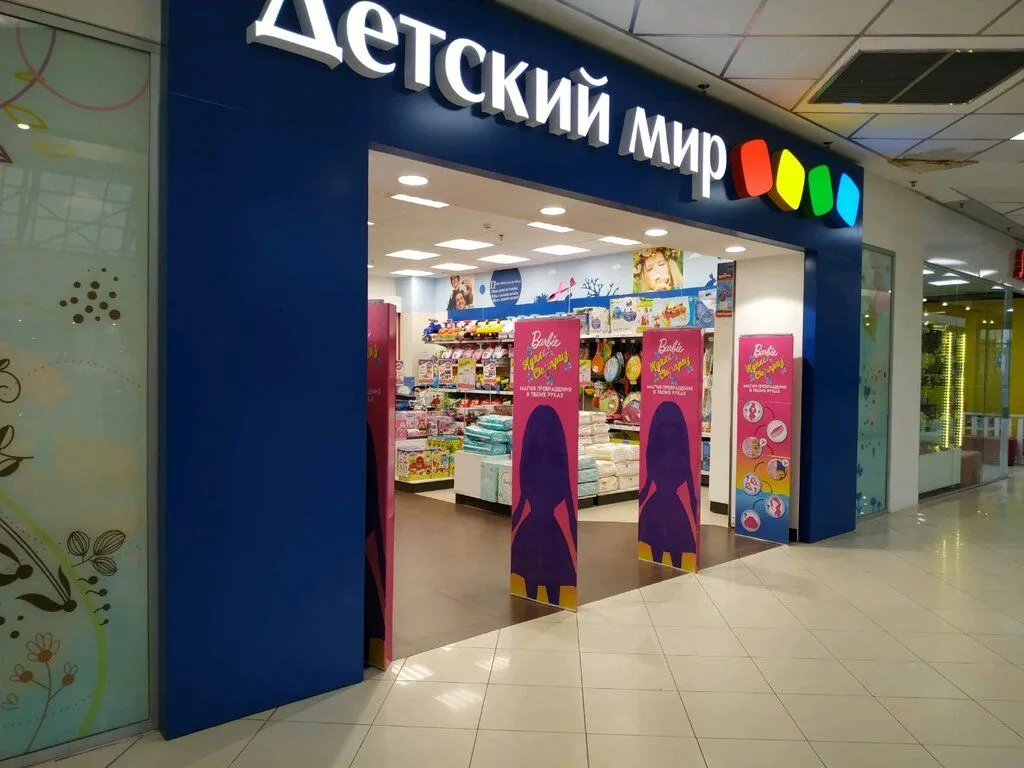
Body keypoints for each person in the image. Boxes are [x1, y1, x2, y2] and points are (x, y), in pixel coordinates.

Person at [510, 405, 577, 607]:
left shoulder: (559, 470)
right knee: (530, 575)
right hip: (532, 531)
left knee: (552, 578)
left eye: (549, 433)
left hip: (549, 532)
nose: (544, 438)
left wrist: (574, 543)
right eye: (540, 432)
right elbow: (520, 505)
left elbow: (570, 513)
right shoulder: (529, 467)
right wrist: (512, 530)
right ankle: (531, 602)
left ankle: (551, 603)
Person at [638, 400, 699, 570]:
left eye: (673, 425)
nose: (668, 430)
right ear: (657, 427)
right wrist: (639, 506)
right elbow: (647, 485)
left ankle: (674, 567)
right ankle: (657, 568)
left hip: (673, 508)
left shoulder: (682, 458)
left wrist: (695, 521)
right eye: (664, 425)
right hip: (657, 506)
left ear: (679, 428)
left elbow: (692, 493)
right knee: (656, 542)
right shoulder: (656, 455)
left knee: (675, 544)